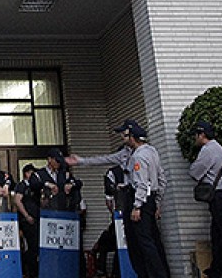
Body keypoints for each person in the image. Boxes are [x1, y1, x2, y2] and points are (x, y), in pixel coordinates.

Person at [67, 119, 169, 278]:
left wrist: (137, 206)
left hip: (138, 199)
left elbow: (142, 183)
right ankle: (150, 273)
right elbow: (106, 159)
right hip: (146, 200)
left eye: (124, 135)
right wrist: (81, 161)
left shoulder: (140, 156)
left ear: (132, 136)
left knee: (143, 242)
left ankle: (155, 274)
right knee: (144, 241)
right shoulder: (144, 152)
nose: (122, 137)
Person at [188, 121, 222, 278]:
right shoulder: (218, 147)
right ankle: (216, 269)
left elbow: (195, 171)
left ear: (202, 135)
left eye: (196, 134)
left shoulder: (209, 150)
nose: (195, 138)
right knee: (218, 233)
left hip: (219, 196)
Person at [14, 164, 41, 278]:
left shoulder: (35, 187)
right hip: (27, 221)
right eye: (32, 172)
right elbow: (17, 200)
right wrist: (26, 215)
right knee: (31, 246)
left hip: (37, 218)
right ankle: (30, 271)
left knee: (36, 246)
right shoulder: (22, 185)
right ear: (26, 173)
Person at [36, 147, 82, 212]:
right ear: (49, 159)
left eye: (60, 161)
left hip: (62, 211)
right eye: (57, 161)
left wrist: (71, 185)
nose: (58, 163)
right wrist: (47, 184)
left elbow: (79, 183)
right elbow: (34, 183)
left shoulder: (63, 174)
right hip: (47, 213)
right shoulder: (40, 174)